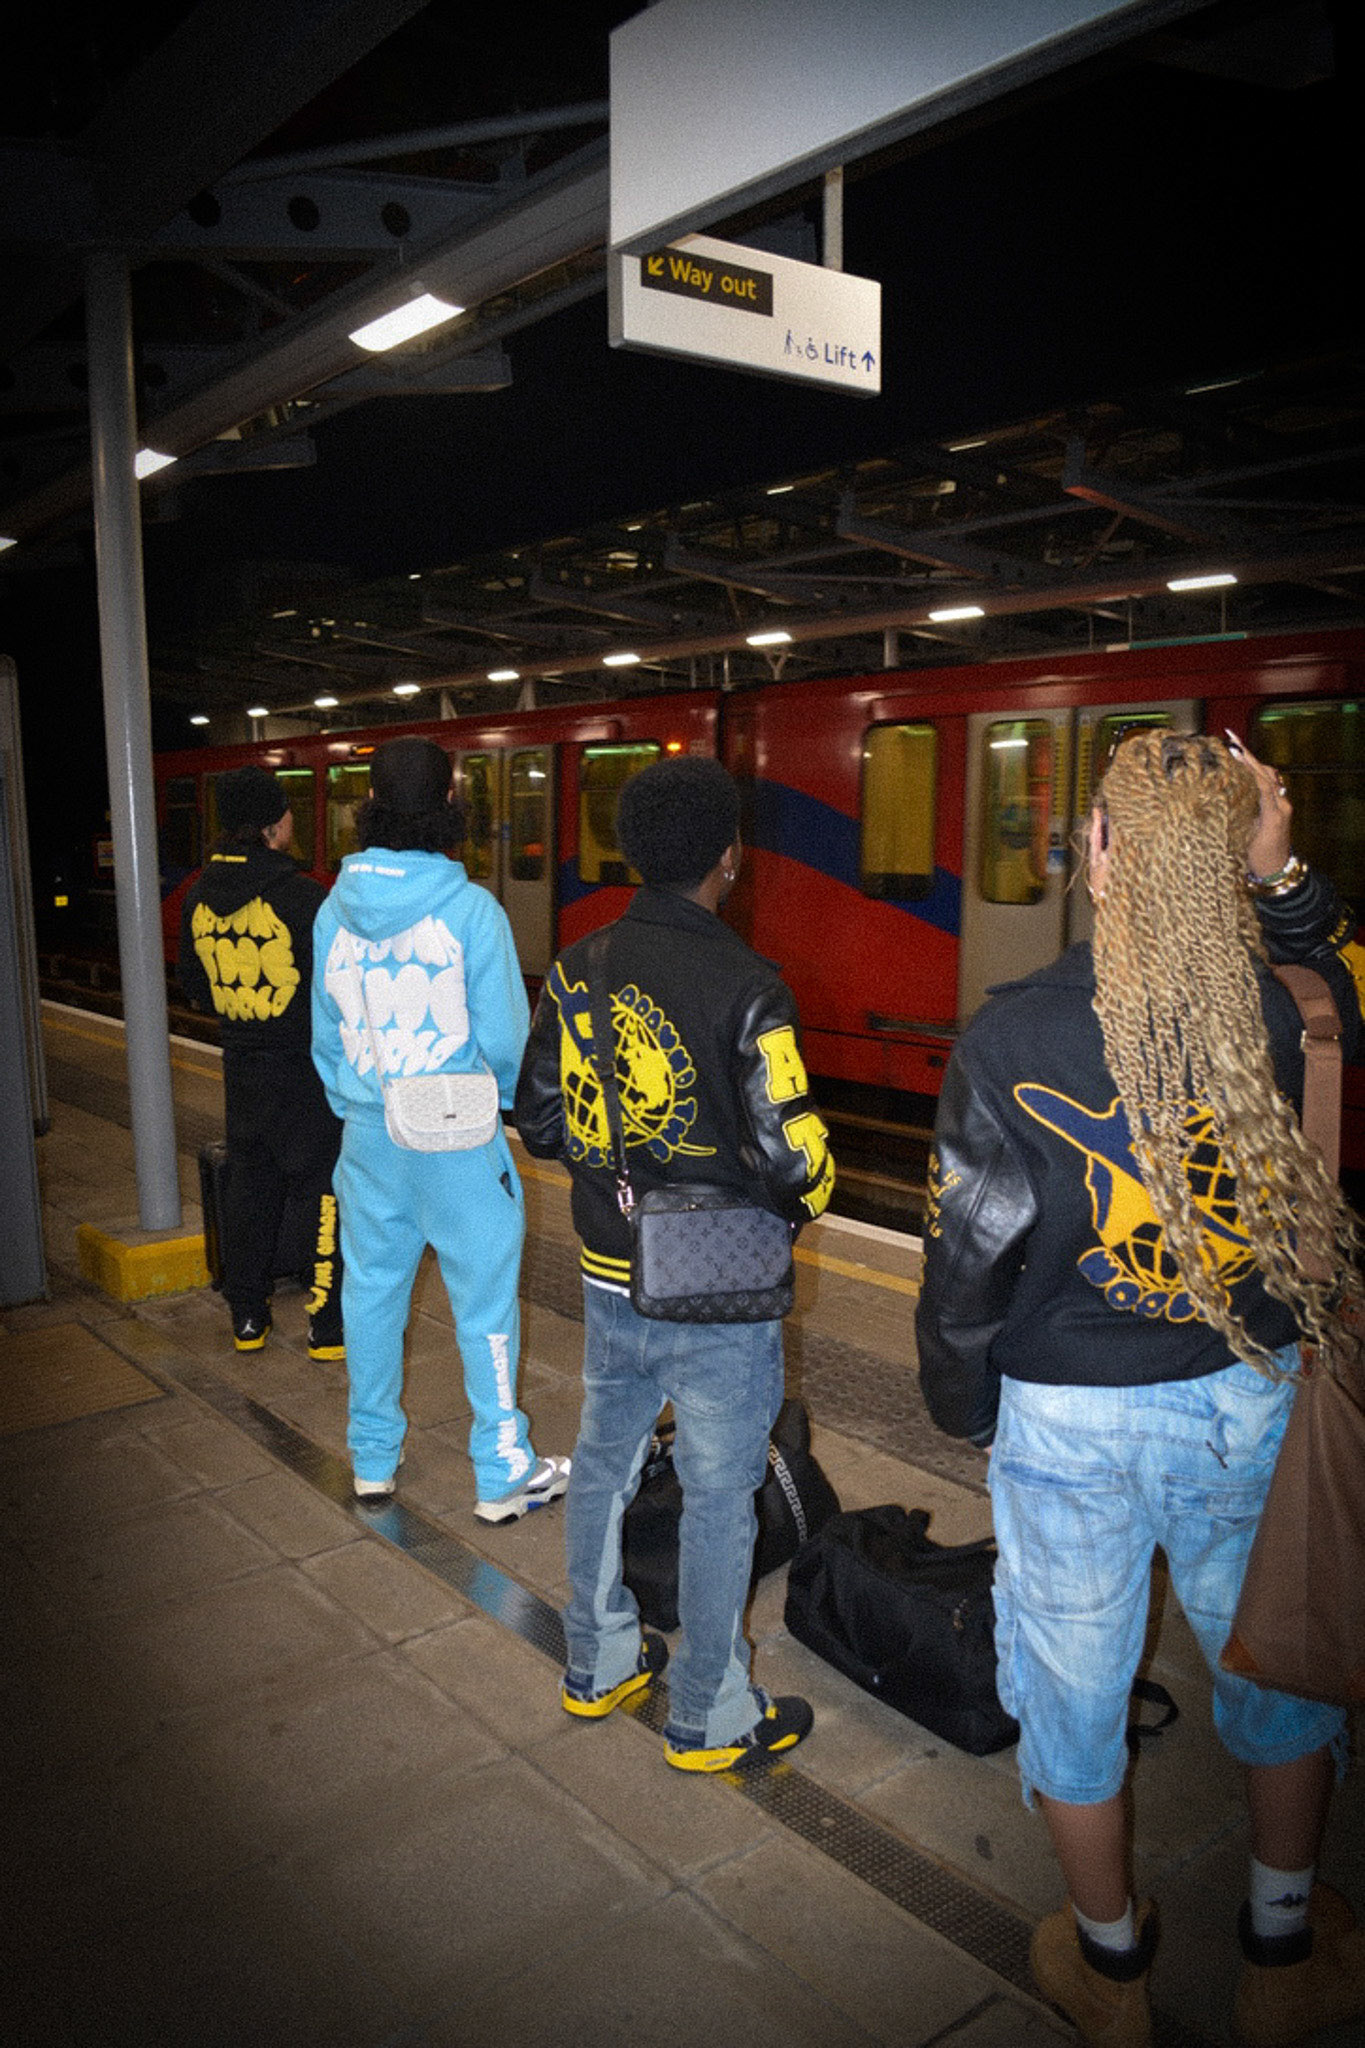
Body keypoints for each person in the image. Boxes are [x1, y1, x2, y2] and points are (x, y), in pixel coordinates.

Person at [916, 730, 1364, 2048]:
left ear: (1097, 849)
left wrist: (966, 1405)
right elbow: (1341, 966)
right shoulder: (1287, 1010)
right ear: (1232, 859)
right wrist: (1282, 870)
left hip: (1065, 1414)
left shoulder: (1011, 1035)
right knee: (1276, 1663)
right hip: (1246, 1396)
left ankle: (1110, 1970)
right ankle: (1280, 1955)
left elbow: (965, 1266)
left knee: (1072, 1689)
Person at [514, 754, 836, 1770]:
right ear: (729, 857)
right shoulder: (749, 985)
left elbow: (540, 1121)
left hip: (610, 1270)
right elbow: (800, 1164)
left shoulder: (578, 965)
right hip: (716, 1289)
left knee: (603, 1465)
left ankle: (598, 1661)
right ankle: (709, 1710)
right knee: (717, 1496)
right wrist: (784, 1211)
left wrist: (620, 1181)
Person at [310, 735, 569, 1520]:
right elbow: (506, 1041)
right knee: (484, 1303)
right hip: (456, 1140)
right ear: (451, 807)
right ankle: (501, 1469)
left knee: (371, 1294)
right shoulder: (472, 912)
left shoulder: (331, 911)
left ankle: (371, 1459)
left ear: (370, 808)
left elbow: (324, 1037)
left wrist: (360, 1104)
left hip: (367, 1136)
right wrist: (494, 1102)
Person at [179, 764, 344, 1359]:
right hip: (305, 1072)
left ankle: (248, 1317)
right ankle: (326, 1325)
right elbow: (337, 988)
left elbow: (195, 988)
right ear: (273, 825)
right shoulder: (305, 897)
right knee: (324, 1191)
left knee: (250, 1188)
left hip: (241, 1071)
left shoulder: (198, 896)